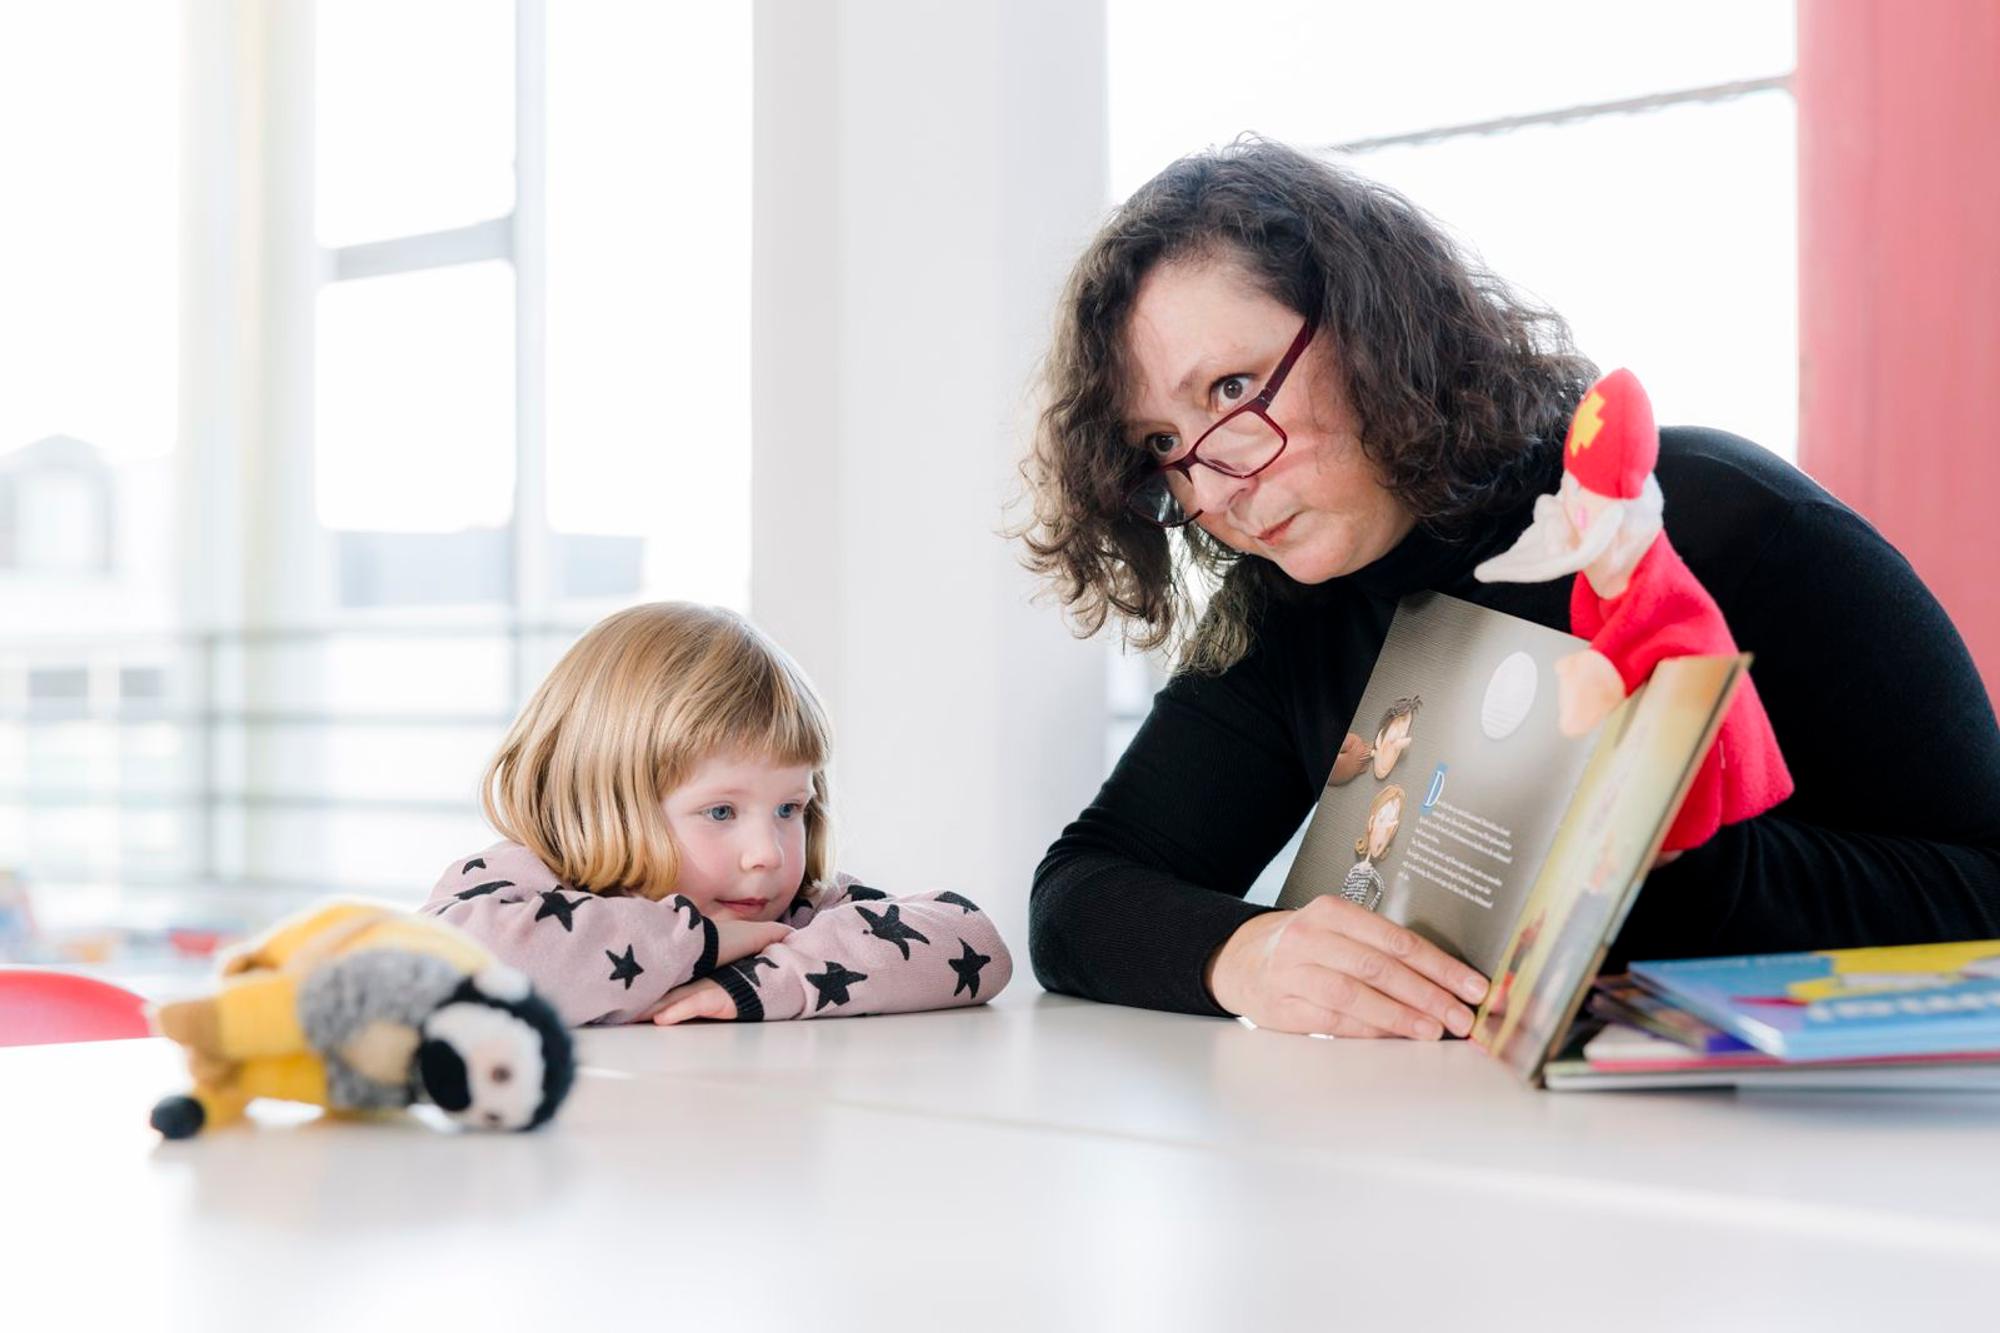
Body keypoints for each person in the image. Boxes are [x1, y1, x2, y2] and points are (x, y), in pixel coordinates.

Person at [1017, 138, 2000, 1039]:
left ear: (1371, 327)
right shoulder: (1289, 610)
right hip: (1460, 1170)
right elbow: (1079, 893)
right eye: (1160, 446)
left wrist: (1687, 864)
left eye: (1231, 388)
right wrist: (1245, 955)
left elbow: (1982, 888)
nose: (1214, 477)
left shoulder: (1709, 522)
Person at [421, 602, 1011, 1026]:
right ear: (603, 799)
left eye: (789, 808)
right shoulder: (526, 883)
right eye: (722, 811)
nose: (769, 853)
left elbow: (971, 940)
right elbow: (442, 958)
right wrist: (697, 944)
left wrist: (758, 984)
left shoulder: (799, 914)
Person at [1340, 784, 1404, 912]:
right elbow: (1346, 885)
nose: (1386, 829)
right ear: (1371, 822)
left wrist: (1369, 909)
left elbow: (1380, 889)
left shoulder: (1370, 872)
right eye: (1381, 819)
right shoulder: (1357, 869)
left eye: (1392, 822)